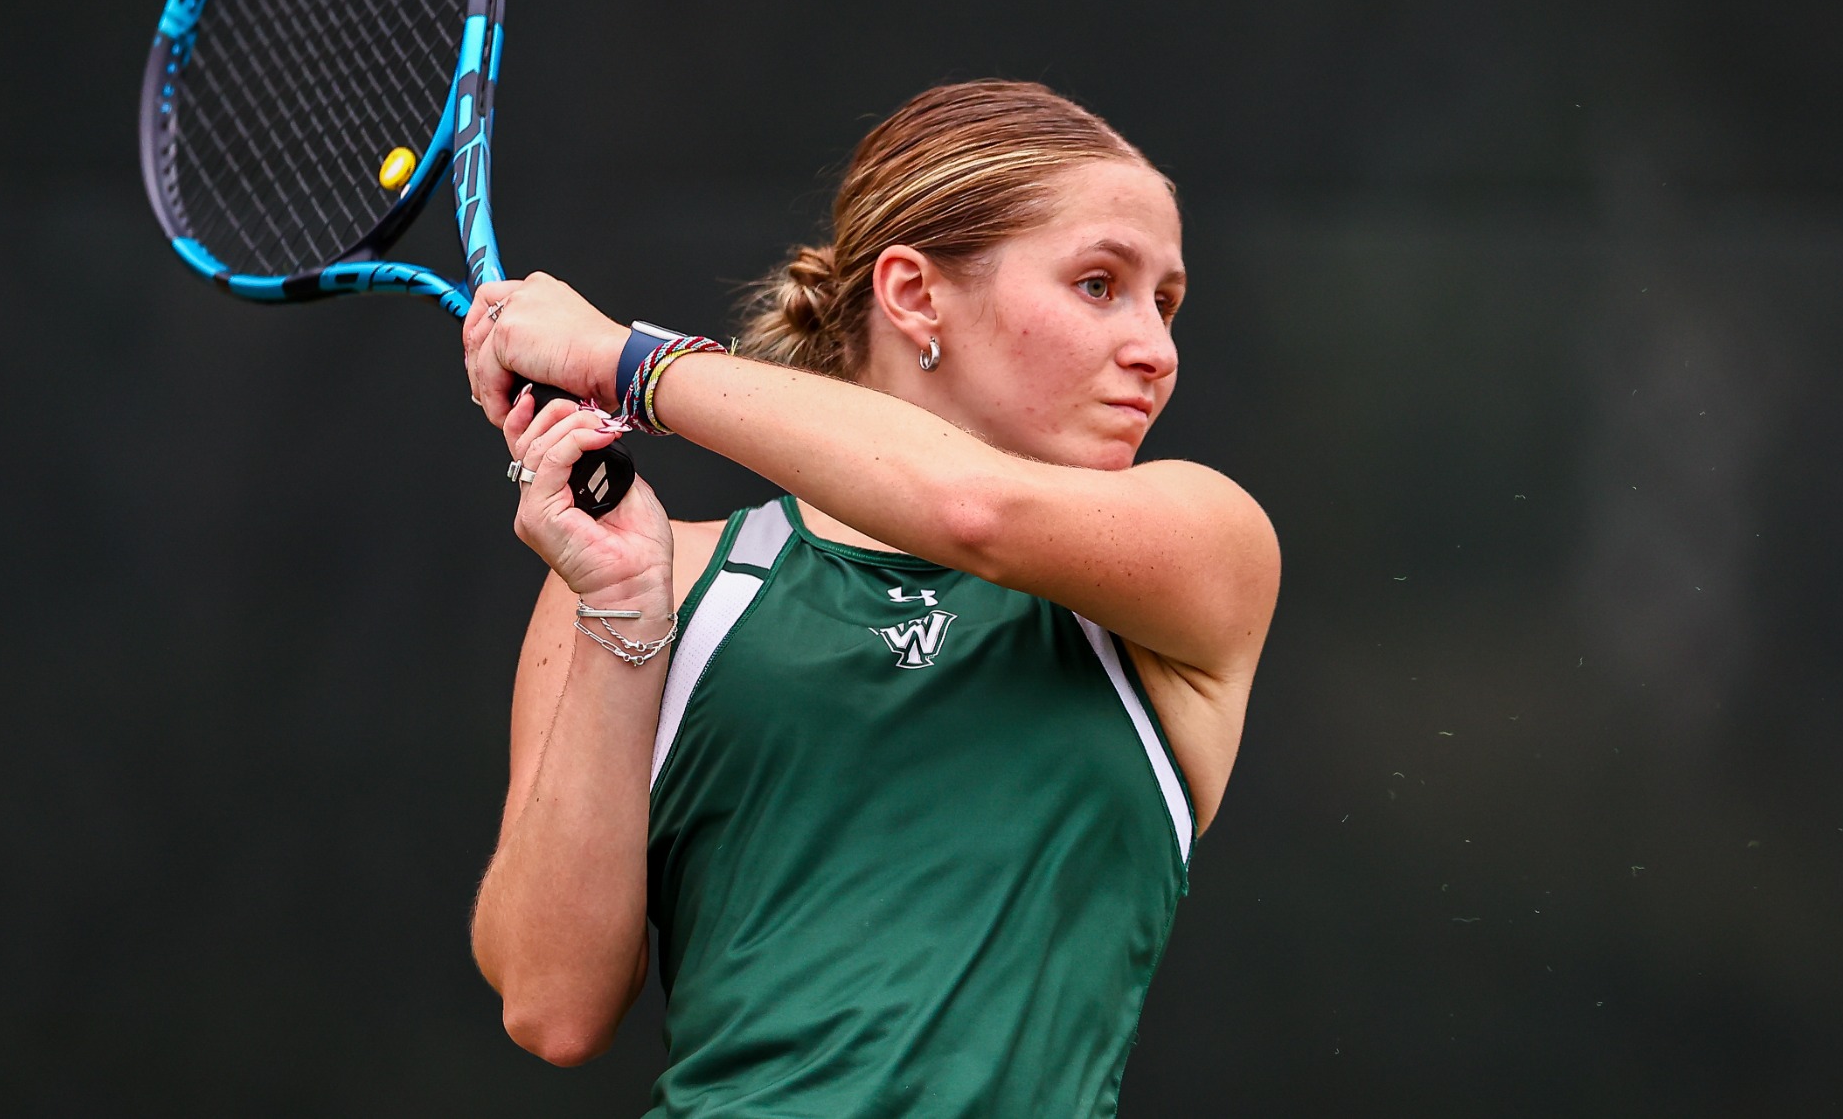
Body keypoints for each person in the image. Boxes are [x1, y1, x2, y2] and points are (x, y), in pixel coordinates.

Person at [461, 80, 1279, 1116]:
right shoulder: (663, 573)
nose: (1153, 351)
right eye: (1097, 284)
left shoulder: (1201, 546)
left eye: (1164, 303)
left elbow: (971, 508)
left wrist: (622, 361)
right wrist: (621, 605)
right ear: (913, 293)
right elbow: (550, 1004)